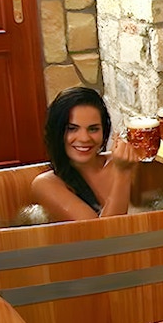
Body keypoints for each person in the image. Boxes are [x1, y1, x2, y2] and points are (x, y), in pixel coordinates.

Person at [32, 87, 140, 222]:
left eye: (93, 129)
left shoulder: (122, 162)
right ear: (57, 132)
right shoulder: (46, 184)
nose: (84, 138)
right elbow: (103, 237)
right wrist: (122, 173)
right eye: (72, 129)